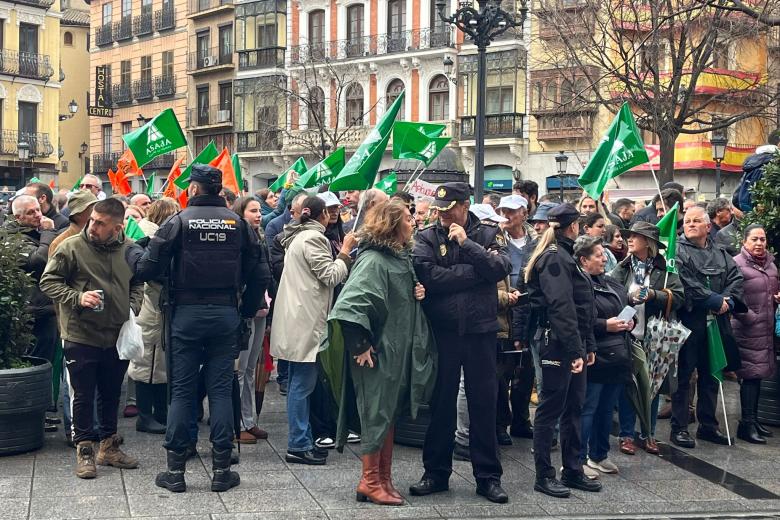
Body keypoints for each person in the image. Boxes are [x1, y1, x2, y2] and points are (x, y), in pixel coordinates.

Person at [134, 164, 270, 493]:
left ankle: (176, 471)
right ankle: (222, 469)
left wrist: (134, 252)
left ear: (194, 189)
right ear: (218, 190)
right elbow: (261, 271)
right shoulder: (238, 225)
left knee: (182, 390)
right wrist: (248, 309)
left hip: (186, 315)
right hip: (225, 314)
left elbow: (146, 268)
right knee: (222, 390)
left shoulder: (177, 222)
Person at [326, 199, 435, 505]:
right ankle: (370, 481)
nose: (412, 223)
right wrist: (360, 344)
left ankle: (382, 480)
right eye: (407, 219)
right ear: (392, 224)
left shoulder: (400, 257)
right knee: (376, 415)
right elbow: (351, 303)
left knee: (386, 416)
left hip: (394, 352)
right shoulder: (374, 259)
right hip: (377, 353)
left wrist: (418, 290)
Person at [410, 182, 512, 504]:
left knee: (484, 402)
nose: (442, 215)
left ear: (464, 206)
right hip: (444, 331)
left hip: (481, 330)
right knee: (442, 403)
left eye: (448, 209)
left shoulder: (488, 234)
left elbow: (499, 268)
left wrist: (468, 246)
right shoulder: (427, 237)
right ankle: (436, 472)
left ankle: (488, 477)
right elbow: (428, 277)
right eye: (438, 210)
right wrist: (473, 274)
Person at [40, 198, 144, 479]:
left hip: (116, 333)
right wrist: (78, 297)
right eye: (92, 220)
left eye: (100, 223)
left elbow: (138, 282)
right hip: (80, 332)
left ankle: (108, 447)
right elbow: (48, 281)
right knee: (83, 394)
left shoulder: (130, 249)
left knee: (111, 393)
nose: (92, 226)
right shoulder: (71, 246)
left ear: (117, 227)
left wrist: (132, 306)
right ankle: (84, 450)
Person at [270, 196, 356, 465]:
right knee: (302, 384)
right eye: (329, 212)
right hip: (305, 320)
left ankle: (302, 438)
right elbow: (330, 275)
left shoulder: (299, 235)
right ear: (320, 216)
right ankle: (298, 443)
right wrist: (345, 253)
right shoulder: (314, 239)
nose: (333, 216)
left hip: (298, 318)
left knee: (299, 381)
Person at [525, 203, 600, 498]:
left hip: (572, 342)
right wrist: (574, 351)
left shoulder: (566, 257)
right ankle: (544, 475)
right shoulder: (555, 258)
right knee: (550, 409)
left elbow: (584, 307)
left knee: (574, 408)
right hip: (557, 342)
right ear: (573, 227)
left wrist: (587, 345)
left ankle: (572, 469)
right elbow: (561, 307)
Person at [670, 206, 745, 448]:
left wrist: (728, 301)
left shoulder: (721, 252)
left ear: (708, 227)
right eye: (687, 221)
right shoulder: (678, 251)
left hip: (717, 321)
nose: (690, 224)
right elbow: (684, 281)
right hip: (689, 321)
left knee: (712, 374)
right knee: (683, 376)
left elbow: (735, 278)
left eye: (696, 221)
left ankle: (708, 425)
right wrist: (714, 300)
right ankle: (679, 427)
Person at [610, 222, 684, 455]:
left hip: (655, 337)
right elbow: (610, 295)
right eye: (628, 236)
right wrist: (628, 299)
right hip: (628, 335)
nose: (629, 239)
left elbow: (680, 297)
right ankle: (626, 435)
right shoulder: (622, 268)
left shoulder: (665, 270)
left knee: (651, 388)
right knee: (628, 387)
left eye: (635, 236)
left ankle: (648, 434)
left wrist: (653, 295)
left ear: (648, 243)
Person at [574, 235, 632, 478]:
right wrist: (604, 325)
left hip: (619, 353)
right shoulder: (578, 283)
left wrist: (629, 321)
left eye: (603, 254)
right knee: (588, 407)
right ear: (583, 260)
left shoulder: (612, 283)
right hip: (595, 352)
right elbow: (577, 319)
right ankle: (577, 459)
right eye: (598, 255)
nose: (603, 259)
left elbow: (626, 305)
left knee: (607, 409)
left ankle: (599, 454)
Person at [5, 195, 60, 430]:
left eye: (38, 210)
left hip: (43, 308)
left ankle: (42, 412)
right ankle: (33, 414)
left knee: (44, 362)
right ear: (17, 217)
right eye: (31, 212)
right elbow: (39, 261)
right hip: (31, 311)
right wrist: (49, 234)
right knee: (33, 363)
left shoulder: (32, 232)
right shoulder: (12, 237)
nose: (38, 215)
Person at [128, 198, 180, 435]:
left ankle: (160, 413)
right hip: (151, 308)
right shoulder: (148, 239)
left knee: (158, 363)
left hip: (156, 308)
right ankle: (145, 416)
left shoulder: (151, 237)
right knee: (147, 362)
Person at [731, 225, 780, 444]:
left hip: (765, 328)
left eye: (762, 239)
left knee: (758, 375)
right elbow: (734, 297)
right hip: (747, 329)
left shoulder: (770, 264)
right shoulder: (736, 264)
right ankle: (746, 424)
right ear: (744, 242)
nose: (759, 243)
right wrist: (751, 317)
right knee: (749, 375)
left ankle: (754, 419)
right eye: (754, 239)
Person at [232, 196, 273, 443]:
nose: (258, 215)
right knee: (239, 368)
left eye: (259, 210)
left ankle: (249, 420)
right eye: (253, 210)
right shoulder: (239, 239)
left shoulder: (261, 237)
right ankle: (238, 423)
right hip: (246, 308)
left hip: (260, 309)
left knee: (249, 369)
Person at [734, 129, 780, 212]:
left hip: (752, 212)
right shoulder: (775, 161)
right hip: (770, 215)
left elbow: (736, 198)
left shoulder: (753, 161)